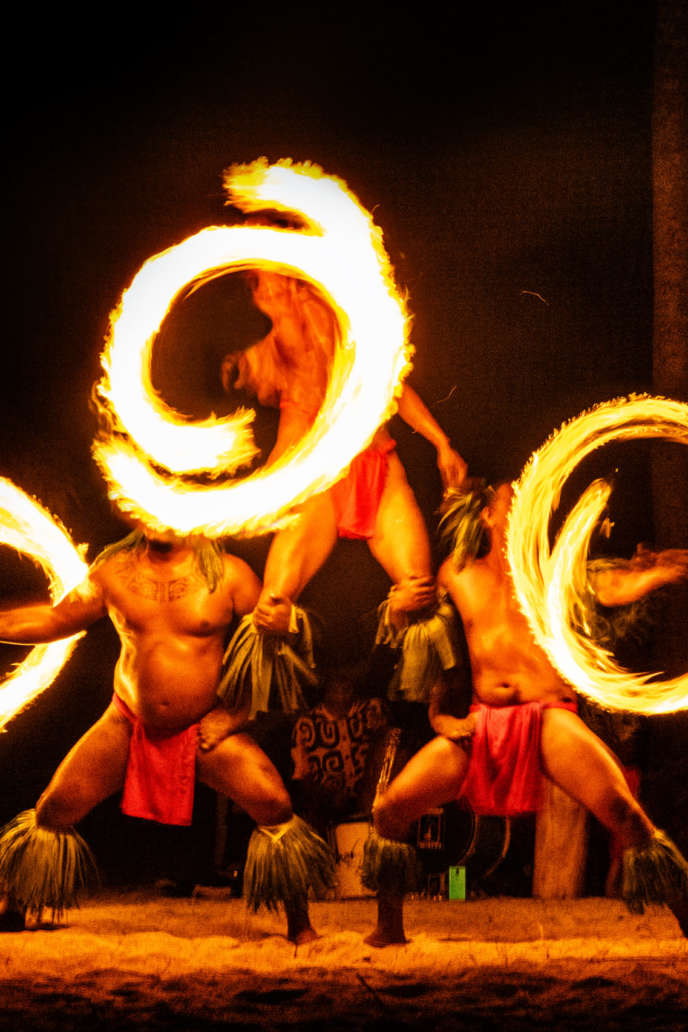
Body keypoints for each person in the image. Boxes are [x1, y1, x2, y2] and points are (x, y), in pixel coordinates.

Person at [361, 480, 688, 945]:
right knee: (390, 812)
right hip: (482, 723)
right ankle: (387, 931)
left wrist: (652, 575)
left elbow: (611, 585)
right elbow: (435, 655)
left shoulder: (552, 573)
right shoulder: (456, 575)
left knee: (627, 816)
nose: (525, 499)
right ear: (487, 516)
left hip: (548, 718)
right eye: (512, 495)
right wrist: (437, 714)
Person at [0, 526, 333, 941]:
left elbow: (279, 653)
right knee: (54, 807)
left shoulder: (230, 576)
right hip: (125, 722)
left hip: (206, 727)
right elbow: (55, 619)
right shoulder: (113, 573)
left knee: (274, 805)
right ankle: (12, 906)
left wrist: (237, 712)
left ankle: (300, 924)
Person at [220, 269, 467, 719]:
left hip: (377, 467)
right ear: (257, 298)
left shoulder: (350, 328)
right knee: (272, 607)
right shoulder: (264, 356)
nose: (273, 289)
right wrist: (260, 494)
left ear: (298, 282)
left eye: (279, 279)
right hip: (317, 487)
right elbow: (271, 427)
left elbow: (395, 389)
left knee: (420, 591)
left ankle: (436, 715)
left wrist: (441, 442)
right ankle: (243, 715)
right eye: (261, 284)